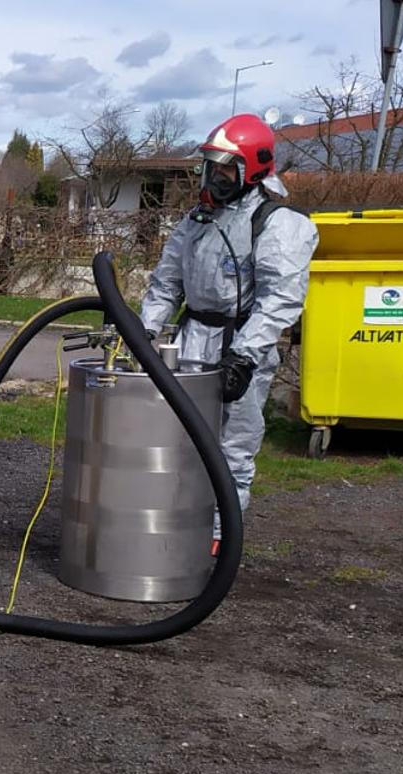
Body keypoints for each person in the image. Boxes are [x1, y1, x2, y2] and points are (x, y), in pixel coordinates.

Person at [139, 113, 319, 529]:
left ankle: (220, 536)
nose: (214, 176)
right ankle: (171, 533)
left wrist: (245, 356)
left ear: (252, 170)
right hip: (189, 342)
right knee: (175, 441)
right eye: (210, 166)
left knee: (232, 451)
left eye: (225, 168)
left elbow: (279, 298)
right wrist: (145, 331)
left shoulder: (276, 224)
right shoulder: (196, 222)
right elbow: (166, 284)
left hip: (238, 345)